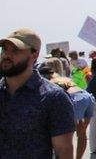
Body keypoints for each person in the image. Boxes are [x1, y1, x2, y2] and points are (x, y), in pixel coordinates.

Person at [0, 28, 75, 158]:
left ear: (34, 55)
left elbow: (63, 150)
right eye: (4, 49)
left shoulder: (53, 98)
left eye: (15, 50)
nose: (6, 55)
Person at [51, 76, 95, 159]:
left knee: (67, 134)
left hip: (76, 99)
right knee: (82, 133)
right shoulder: (64, 79)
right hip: (87, 96)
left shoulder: (51, 82)